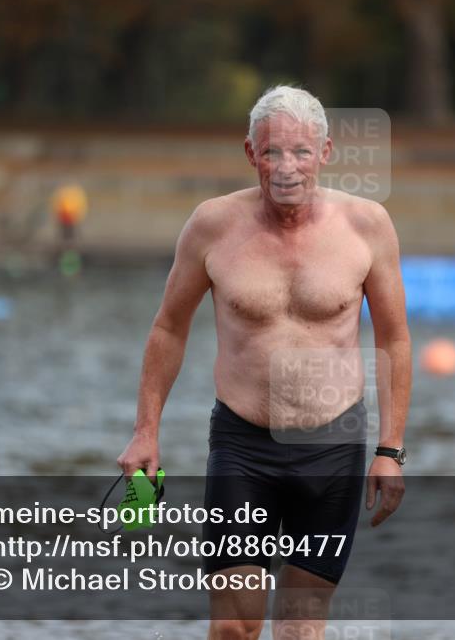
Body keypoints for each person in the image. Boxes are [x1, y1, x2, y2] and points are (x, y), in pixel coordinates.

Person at [117, 85, 412, 640]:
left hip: (333, 446)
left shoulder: (367, 226)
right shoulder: (212, 225)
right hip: (243, 445)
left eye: (301, 152)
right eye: (272, 152)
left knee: (300, 628)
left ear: (325, 153)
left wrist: (391, 450)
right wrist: (145, 431)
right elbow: (168, 327)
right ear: (251, 153)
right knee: (235, 626)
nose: (287, 168)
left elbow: (394, 338)